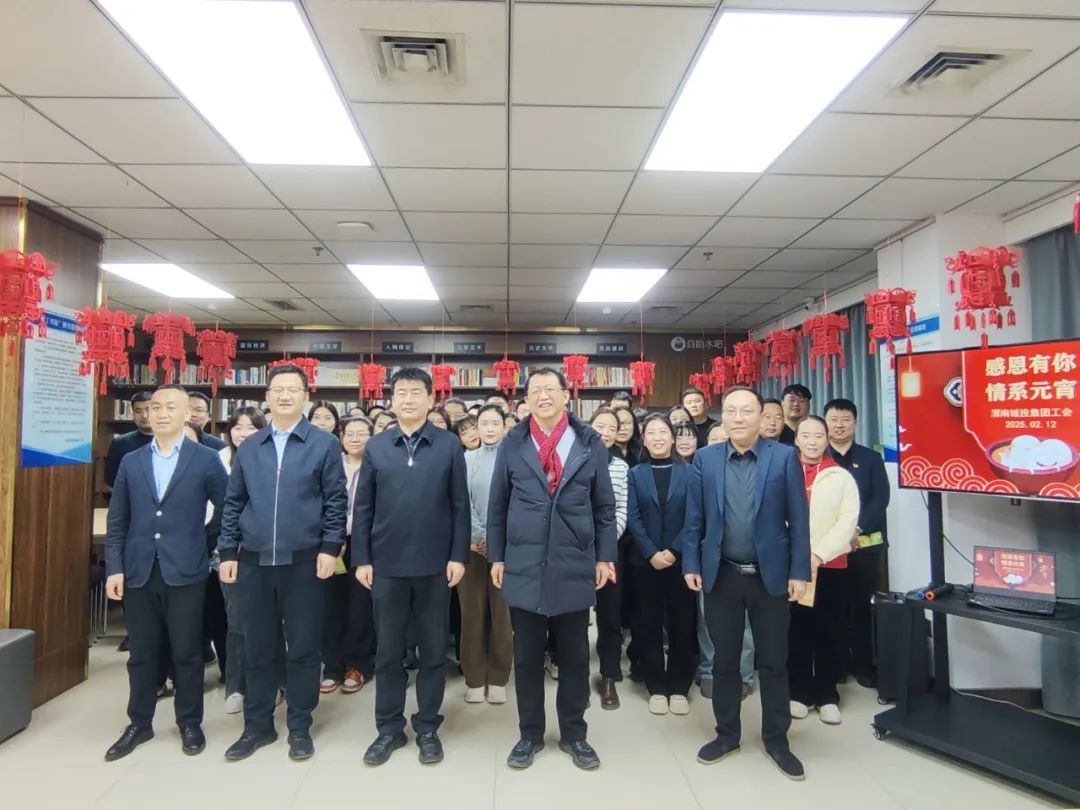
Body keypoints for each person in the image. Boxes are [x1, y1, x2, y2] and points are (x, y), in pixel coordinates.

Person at [487, 368, 617, 771]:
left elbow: (604, 507)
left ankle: (575, 734)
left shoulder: (588, 441)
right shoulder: (513, 442)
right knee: (526, 657)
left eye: (550, 389)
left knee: (575, 656)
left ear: (565, 395)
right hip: (523, 561)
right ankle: (529, 734)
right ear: (525, 400)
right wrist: (497, 557)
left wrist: (604, 557)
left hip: (574, 559)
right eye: (535, 391)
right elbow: (498, 505)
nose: (543, 396)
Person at [218, 364, 348, 763]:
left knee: (304, 647)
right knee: (257, 647)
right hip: (253, 562)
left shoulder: (323, 444)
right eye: (278, 389)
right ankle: (257, 726)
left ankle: (300, 725)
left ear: (306, 397)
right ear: (267, 397)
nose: (286, 395)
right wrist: (228, 551)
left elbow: (336, 500)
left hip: (305, 560)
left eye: (294, 389)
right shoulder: (251, 446)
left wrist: (330, 547)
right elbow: (233, 502)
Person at [683, 385, 811, 781]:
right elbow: (694, 518)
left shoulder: (783, 457)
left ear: (762, 416)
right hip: (721, 574)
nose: (738, 418)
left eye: (746, 411)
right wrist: (691, 562)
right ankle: (727, 735)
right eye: (731, 411)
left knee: (773, 661)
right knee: (724, 660)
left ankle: (777, 740)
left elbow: (799, 519)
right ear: (723, 416)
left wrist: (799, 571)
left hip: (770, 576)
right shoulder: (705, 459)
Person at [103, 384, 228, 761]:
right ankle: (139, 722)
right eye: (155, 407)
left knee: (187, 652)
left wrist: (205, 543)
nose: (159, 413)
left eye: (170, 407)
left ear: (187, 414)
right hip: (139, 571)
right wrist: (115, 568)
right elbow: (118, 520)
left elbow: (228, 510)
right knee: (142, 653)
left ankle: (189, 722)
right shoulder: (132, 461)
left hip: (186, 570)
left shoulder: (206, 459)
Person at [353, 368, 470, 767]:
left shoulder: (448, 445)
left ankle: (427, 727)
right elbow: (363, 507)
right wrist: (362, 558)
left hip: (435, 565)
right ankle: (388, 728)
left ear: (430, 398)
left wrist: (457, 556)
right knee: (388, 652)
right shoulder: (377, 447)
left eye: (415, 392)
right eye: (400, 392)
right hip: (386, 565)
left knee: (433, 650)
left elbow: (460, 506)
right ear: (391, 399)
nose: (407, 399)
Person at [790, 415, 859, 726]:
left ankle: (828, 694)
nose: (812, 441)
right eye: (806, 435)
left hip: (831, 565)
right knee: (797, 629)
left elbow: (847, 522)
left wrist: (818, 554)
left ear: (827, 439)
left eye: (819, 435)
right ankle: (799, 692)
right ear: (797, 439)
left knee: (830, 630)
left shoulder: (841, 477)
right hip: (793, 566)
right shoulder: (785, 472)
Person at [626, 415, 695, 717]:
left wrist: (674, 550)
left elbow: (695, 516)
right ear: (643, 439)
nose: (657, 437)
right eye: (650, 433)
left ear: (673, 437)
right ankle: (655, 685)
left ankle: (679, 686)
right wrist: (651, 552)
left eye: (662, 432)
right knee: (648, 623)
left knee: (682, 624)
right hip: (645, 562)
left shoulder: (690, 472)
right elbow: (632, 517)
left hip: (682, 562)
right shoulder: (635, 473)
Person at [824, 398, 890, 688]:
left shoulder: (870, 458)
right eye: (833, 419)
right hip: (828, 548)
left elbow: (880, 499)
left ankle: (863, 665)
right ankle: (836, 665)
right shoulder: (818, 457)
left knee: (861, 606)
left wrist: (856, 529)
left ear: (855, 422)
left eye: (845, 420)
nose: (839, 425)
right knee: (832, 606)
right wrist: (837, 534)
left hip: (864, 546)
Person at [217, 406, 269, 716]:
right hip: (230, 552)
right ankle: (235, 687)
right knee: (237, 621)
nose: (244, 433)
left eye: (252, 427)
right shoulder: (218, 461)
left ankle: (273, 683)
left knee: (270, 622)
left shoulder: (269, 457)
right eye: (238, 427)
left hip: (263, 551)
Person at [461, 405, 513, 705]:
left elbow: (517, 502)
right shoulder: (467, 460)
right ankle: (474, 677)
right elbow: (462, 501)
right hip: (471, 548)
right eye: (484, 423)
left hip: (506, 549)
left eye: (495, 423)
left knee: (502, 614)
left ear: (505, 427)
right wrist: (479, 536)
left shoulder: (514, 459)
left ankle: (498, 676)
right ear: (476, 428)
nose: (490, 428)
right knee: (472, 612)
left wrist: (496, 539)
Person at [321, 415, 376, 696]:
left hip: (364, 543)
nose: (355, 438)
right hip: (331, 543)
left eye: (362, 433)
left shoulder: (376, 465)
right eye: (349, 433)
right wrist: (332, 538)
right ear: (340, 437)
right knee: (331, 606)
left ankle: (357, 665)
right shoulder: (331, 464)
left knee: (360, 606)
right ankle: (332, 666)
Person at [588, 407, 629, 710]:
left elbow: (621, 509)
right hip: (574, 550)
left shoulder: (621, 467)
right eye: (599, 426)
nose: (605, 433)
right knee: (574, 617)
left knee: (610, 615)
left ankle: (609, 675)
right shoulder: (574, 460)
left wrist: (603, 543)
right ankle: (576, 676)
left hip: (609, 552)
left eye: (611, 428)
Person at [105, 391, 154, 490]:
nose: (144, 415)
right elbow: (111, 479)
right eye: (138, 411)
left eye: (148, 410)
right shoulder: (119, 443)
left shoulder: (171, 441)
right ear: (133, 414)